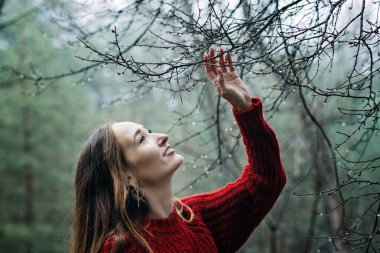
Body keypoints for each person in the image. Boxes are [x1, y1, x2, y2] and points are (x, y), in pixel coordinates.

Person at [69, 48, 287, 253]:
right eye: (142, 139)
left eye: (150, 131)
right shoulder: (122, 248)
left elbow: (264, 181)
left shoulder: (194, 217)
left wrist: (245, 107)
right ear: (126, 177)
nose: (162, 137)